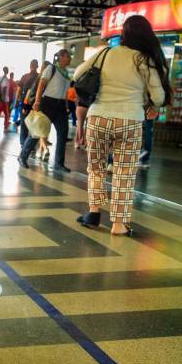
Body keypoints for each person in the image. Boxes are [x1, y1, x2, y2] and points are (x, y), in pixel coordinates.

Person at [73, 15, 170, 236]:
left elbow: (78, 74)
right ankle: (119, 224)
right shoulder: (144, 60)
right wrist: (150, 101)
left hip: (98, 117)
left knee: (96, 168)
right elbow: (159, 96)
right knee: (124, 173)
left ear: (124, 33)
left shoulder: (106, 52)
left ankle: (94, 212)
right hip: (130, 120)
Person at [18, 49, 72, 172]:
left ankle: (59, 163)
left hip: (61, 105)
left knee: (63, 133)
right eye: (68, 56)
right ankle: (22, 156)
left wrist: (67, 105)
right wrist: (37, 101)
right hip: (48, 103)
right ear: (61, 57)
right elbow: (41, 84)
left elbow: (65, 91)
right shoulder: (51, 69)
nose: (70, 58)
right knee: (37, 132)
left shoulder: (66, 73)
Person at [16, 60, 39, 145]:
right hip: (35, 102)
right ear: (37, 66)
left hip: (25, 101)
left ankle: (23, 143)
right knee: (34, 123)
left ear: (30, 66)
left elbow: (19, 90)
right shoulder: (39, 77)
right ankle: (30, 144)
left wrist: (17, 101)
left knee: (24, 123)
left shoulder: (25, 76)